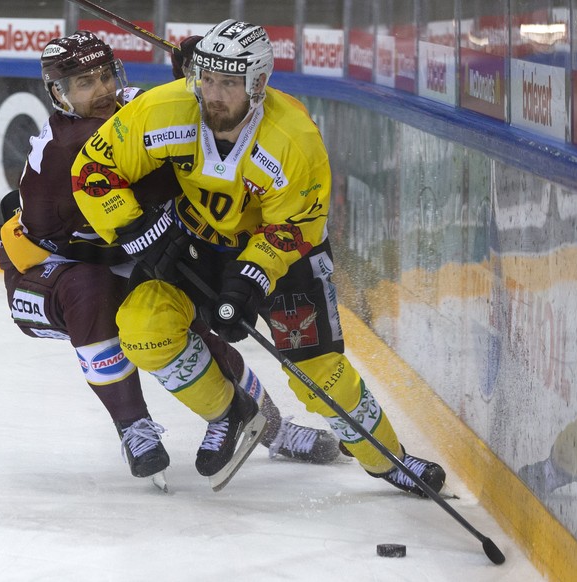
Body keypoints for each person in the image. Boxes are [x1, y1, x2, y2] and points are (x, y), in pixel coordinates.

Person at [71, 20, 446, 497]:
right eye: (207, 78)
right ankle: (231, 412)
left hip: (284, 260)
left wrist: (250, 279)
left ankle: (389, 459)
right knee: (144, 329)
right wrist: (134, 227)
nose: (213, 94)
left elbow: (295, 226)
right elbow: (95, 168)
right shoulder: (165, 110)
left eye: (229, 83)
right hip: (194, 247)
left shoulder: (293, 140)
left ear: (258, 84)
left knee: (319, 376)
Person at [0, 31, 339, 488]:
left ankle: (268, 428)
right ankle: (133, 427)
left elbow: (169, 120)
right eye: (82, 83)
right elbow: (159, 155)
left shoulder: (129, 106)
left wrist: (198, 82)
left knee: (175, 318)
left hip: (116, 251)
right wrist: (195, 95)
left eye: (104, 76)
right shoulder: (69, 147)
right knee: (94, 295)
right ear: (59, 94)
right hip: (47, 271)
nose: (100, 91)